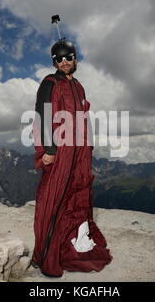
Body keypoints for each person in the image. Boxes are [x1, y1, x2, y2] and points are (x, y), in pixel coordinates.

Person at [31, 39, 113, 277]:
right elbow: (42, 116)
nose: (64, 62)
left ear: (76, 59)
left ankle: (70, 244)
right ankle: (44, 255)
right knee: (52, 198)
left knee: (78, 194)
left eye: (68, 57)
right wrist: (49, 150)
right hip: (60, 150)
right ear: (53, 62)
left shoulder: (78, 86)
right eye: (59, 58)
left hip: (80, 151)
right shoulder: (50, 83)